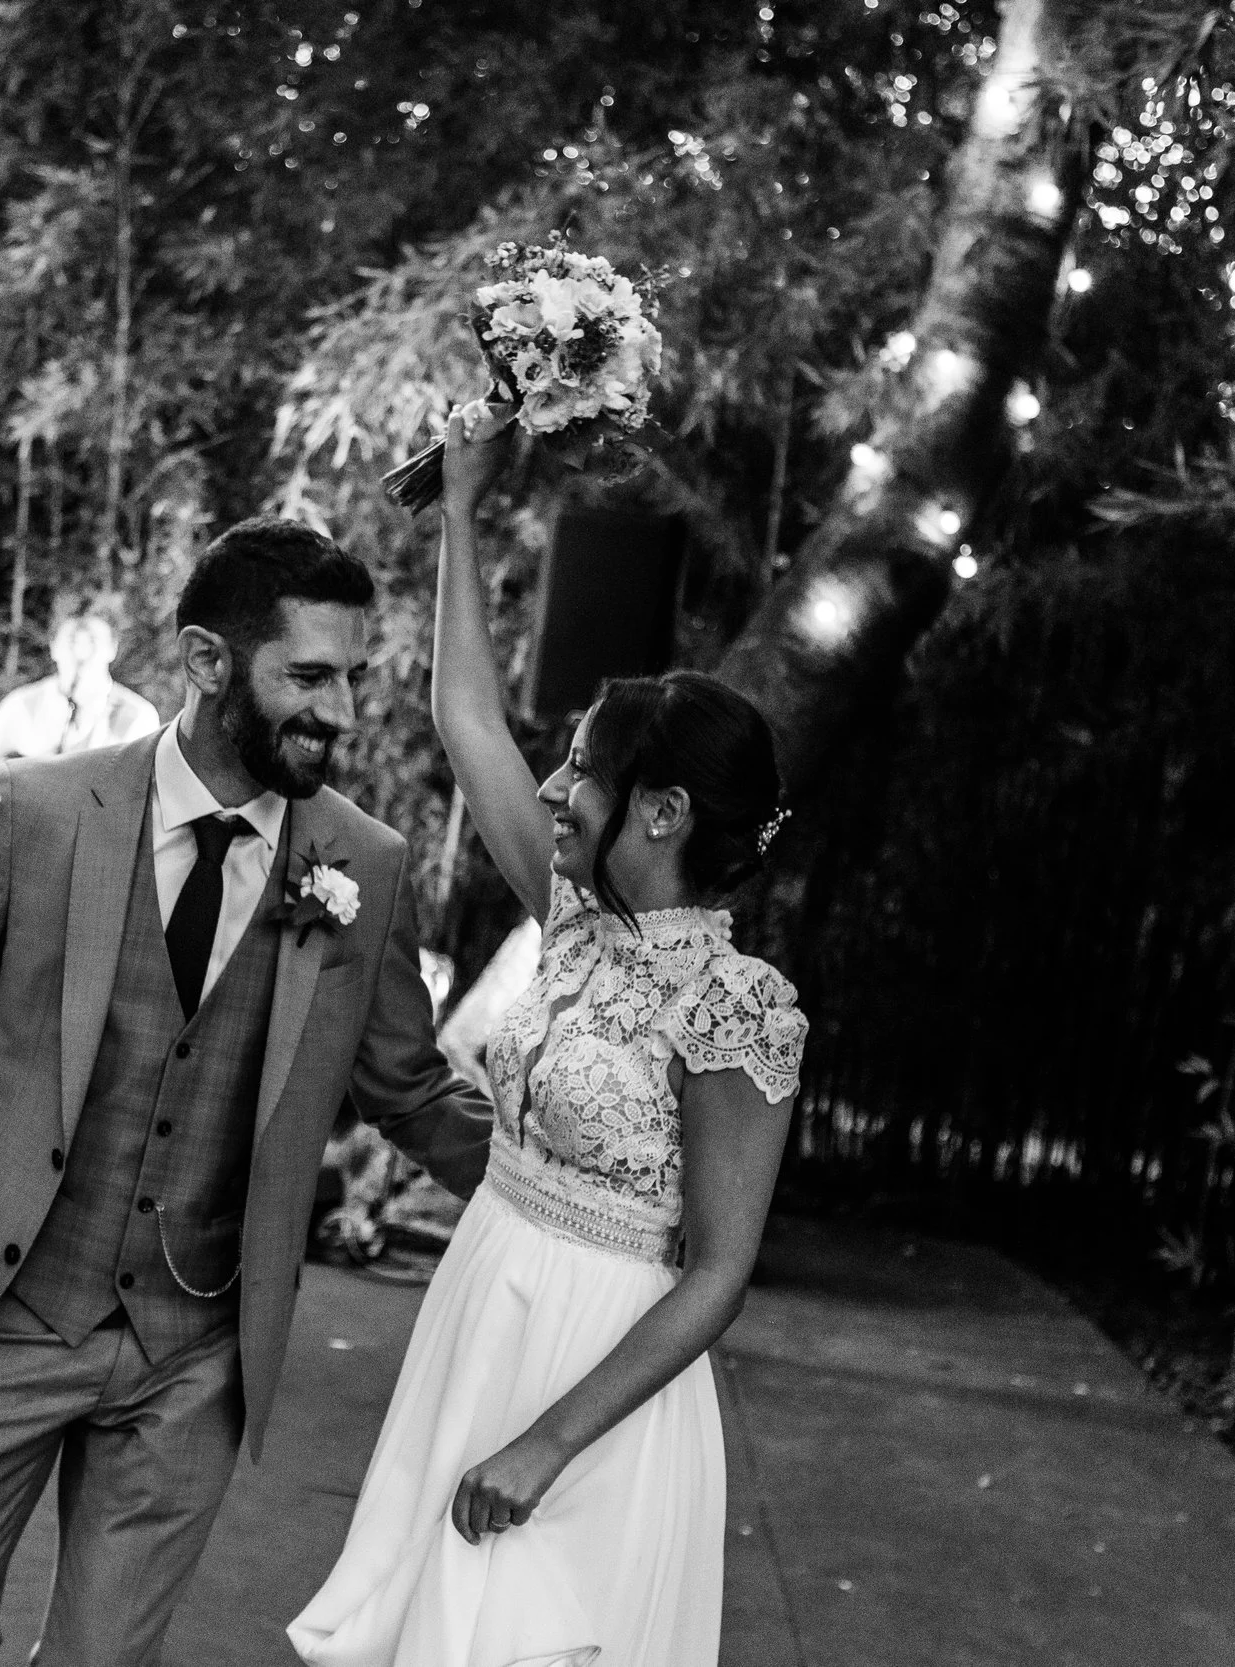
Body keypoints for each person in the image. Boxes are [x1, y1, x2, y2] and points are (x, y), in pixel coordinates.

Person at [0, 518, 495, 1667]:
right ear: (205, 660)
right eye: (308, 676)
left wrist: (581, 1197)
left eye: (351, 677)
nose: (340, 711)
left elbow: (411, 1085)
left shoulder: (364, 862)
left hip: (194, 1349)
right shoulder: (43, 807)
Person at [289, 410, 810, 1667]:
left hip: (593, 1375)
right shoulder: (575, 921)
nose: (550, 791)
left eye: (579, 770)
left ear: (662, 811)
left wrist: (548, 1440)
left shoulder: (738, 1005)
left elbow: (716, 1274)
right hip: (482, 1302)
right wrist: (463, 510)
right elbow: (467, 719)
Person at [0, 610, 160, 769]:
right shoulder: (22, 705)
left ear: (112, 648)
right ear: (53, 647)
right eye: (72, 641)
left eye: (92, 641)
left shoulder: (138, 716)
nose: (81, 652)